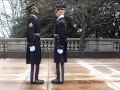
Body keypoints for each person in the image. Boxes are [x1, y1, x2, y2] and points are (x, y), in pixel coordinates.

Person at [26, 4, 44, 84]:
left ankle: (35, 78)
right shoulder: (32, 19)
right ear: (32, 10)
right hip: (34, 42)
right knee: (35, 61)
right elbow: (30, 32)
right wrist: (31, 44)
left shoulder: (34, 18)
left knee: (36, 60)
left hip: (36, 41)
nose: (37, 9)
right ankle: (34, 79)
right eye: (35, 8)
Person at [51, 4, 67, 84]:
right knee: (58, 61)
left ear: (60, 11)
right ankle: (58, 77)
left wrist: (60, 47)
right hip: (58, 43)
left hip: (59, 44)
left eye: (56, 10)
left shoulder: (61, 21)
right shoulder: (60, 20)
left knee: (60, 61)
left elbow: (62, 35)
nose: (55, 12)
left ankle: (60, 79)